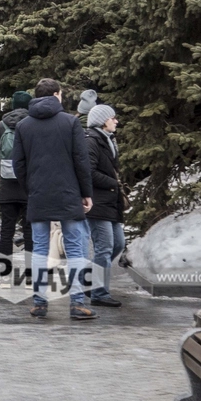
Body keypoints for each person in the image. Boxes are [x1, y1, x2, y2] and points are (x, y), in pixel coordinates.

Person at [11, 78, 95, 320]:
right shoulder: (70, 122)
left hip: (38, 194)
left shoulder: (23, 126)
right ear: (57, 94)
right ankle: (77, 303)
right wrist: (86, 193)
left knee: (39, 249)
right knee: (75, 248)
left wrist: (31, 188)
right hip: (69, 193)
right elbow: (81, 161)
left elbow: (18, 164)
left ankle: (40, 303)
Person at [85, 104, 126, 307]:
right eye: (112, 118)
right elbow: (89, 172)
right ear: (102, 121)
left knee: (118, 243)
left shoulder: (108, 139)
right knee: (105, 247)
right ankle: (99, 293)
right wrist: (113, 182)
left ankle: (89, 280)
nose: (116, 121)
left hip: (110, 202)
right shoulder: (91, 141)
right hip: (98, 202)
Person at [0, 91, 33, 265]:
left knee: (6, 229)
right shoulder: (33, 124)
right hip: (28, 186)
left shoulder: (1, 125)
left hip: (7, 186)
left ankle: (5, 268)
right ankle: (30, 269)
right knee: (29, 230)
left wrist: (3, 173)